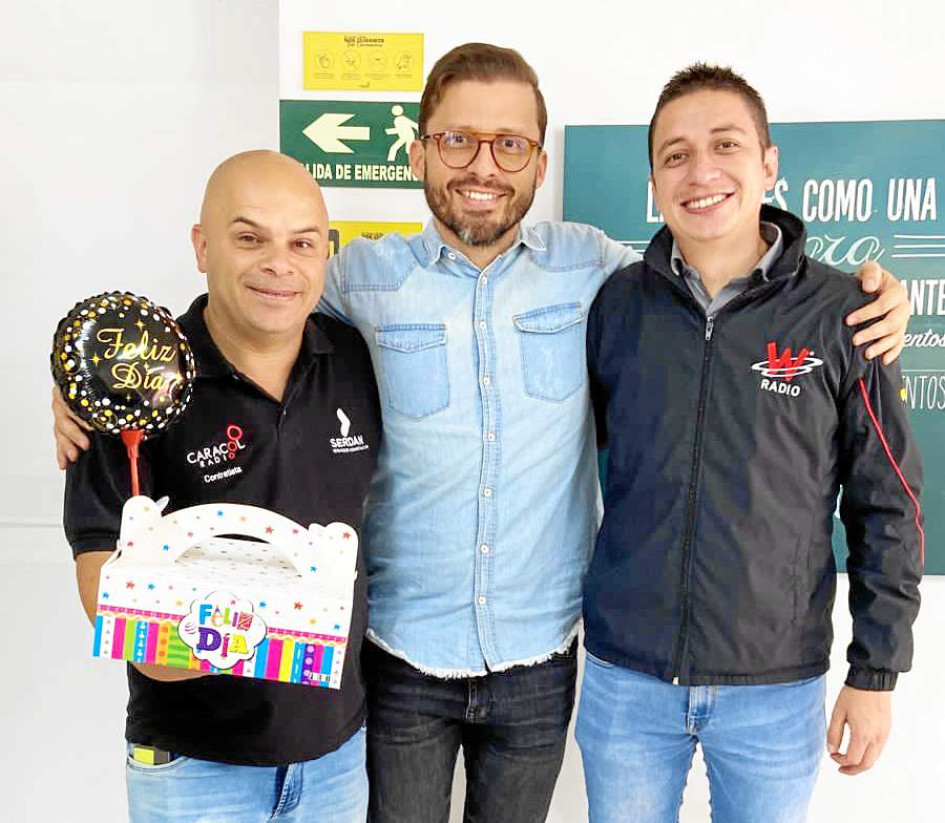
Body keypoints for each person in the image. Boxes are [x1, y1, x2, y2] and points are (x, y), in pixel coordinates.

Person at [54, 44, 912, 823]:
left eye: (509, 145)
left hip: (540, 656)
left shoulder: (600, 272)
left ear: (539, 162)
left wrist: (871, 295)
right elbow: (252, 301)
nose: (482, 166)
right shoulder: (354, 277)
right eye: (457, 140)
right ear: (418, 153)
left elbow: (710, 279)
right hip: (396, 659)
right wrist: (93, 381)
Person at [576, 64, 923, 823]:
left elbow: (888, 504)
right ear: (654, 182)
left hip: (775, 687)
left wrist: (875, 672)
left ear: (769, 163)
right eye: (675, 155)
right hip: (626, 679)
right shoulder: (615, 307)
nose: (701, 171)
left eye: (725, 145)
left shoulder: (845, 315)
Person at [62, 150, 380, 822]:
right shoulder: (135, 384)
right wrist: (271, 630)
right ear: (202, 246)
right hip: (193, 770)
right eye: (249, 238)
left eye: (301, 243)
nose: (279, 264)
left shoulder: (357, 359)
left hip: (337, 759)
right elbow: (107, 598)